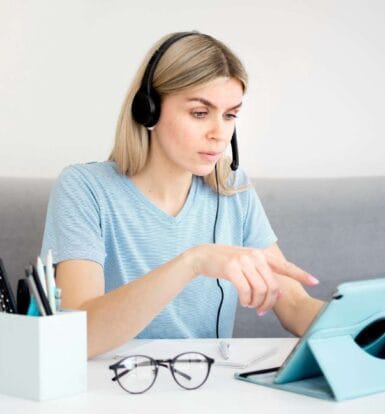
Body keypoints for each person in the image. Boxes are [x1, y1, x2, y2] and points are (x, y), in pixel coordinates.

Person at [40, 31, 324, 359]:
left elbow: (294, 303)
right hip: (112, 387)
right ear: (148, 110)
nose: (219, 134)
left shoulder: (234, 190)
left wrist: (361, 329)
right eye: (200, 113)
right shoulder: (84, 189)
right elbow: (79, 336)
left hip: (203, 389)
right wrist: (194, 261)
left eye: (230, 115)